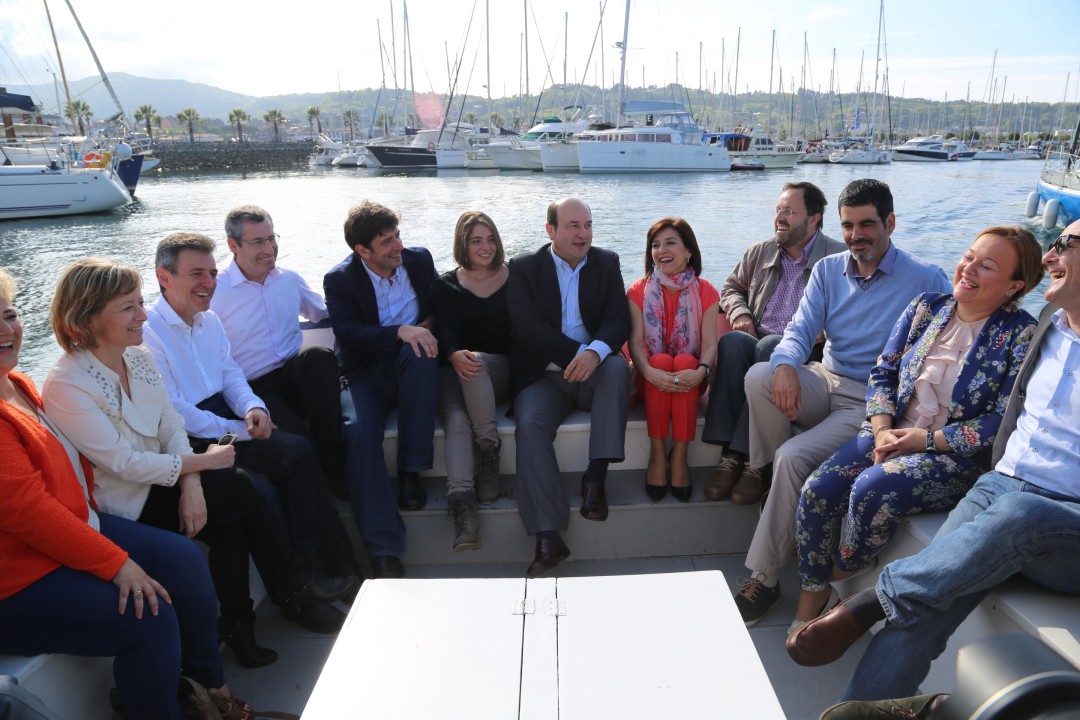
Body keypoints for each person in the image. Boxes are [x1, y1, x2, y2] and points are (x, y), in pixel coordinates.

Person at [786, 224, 1080, 705]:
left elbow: (991, 419)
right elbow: (892, 372)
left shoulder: (1022, 330)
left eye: (1065, 245)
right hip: (1000, 486)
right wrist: (884, 426)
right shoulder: (1052, 323)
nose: (1050, 256)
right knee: (918, 617)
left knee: (1019, 513)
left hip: (1065, 517)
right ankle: (855, 713)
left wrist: (931, 440)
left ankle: (874, 599)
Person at [43, 258, 356, 669]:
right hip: (126, 500)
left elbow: (171, 425)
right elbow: (124, 464)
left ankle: (241, 624)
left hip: (164, 477)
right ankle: (295, 590)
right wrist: (198, 465)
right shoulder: (68, 385)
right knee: (240, 487)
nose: (143, 315)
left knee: (229, 517)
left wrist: (191, 482)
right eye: (128, 308)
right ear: (87, 317)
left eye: (141, 303)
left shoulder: (137, 358)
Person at [0, 267, 252, 719]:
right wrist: (116, 563)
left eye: (9, 314)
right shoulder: (52, 388)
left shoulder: (18, 385)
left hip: (77, 526)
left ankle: (209, 687)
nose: (6, 330)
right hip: (18, 578)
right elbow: (30, 513)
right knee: (149, 618)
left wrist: (189, 478)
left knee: (185, 560)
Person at [733, 178, 952, 627]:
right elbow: (799, 329)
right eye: (848, 225)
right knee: (760, 376)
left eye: (867, 224)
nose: (856, 235)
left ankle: (766, 578)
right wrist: (786, 365)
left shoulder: (926, 278)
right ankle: (770, 481)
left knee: (793, 456)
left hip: (869, 400)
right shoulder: (828, 269)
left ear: (890, 223)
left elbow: (946, 345)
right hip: (824, 377)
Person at [210, 205, 356, 575]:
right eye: (258, 241)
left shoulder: (289, 280)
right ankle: (332, 559)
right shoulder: (216, 292)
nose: (269, 248)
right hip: (253, 387)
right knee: (298, 446)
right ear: (233, 245)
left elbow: (325, 314)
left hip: (292, 374)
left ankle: (332, 460)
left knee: (319, 357)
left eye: (272, 238)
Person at [508, 197, 631, 576]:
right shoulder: (523, 267)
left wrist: (594, 353)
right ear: (551, 230)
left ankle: (595, 478)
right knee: (530, 425)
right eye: (573, 226)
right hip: (544, 377)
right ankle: (548, 536)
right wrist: (578, 354)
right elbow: (528, 327)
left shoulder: (606, 262)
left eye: (588, 225)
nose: (583, 234)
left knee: (617, 369)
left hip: (595, 373)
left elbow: (618, 320)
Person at [701, 182, 845, 503]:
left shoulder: (837, 258)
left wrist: (823, 329)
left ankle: (752, 461)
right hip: (759, 338)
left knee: (771, 348)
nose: (780, 218)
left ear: (813, 219)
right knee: (733, 342)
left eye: (789, 212)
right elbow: (731, 288)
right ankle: (730, 454)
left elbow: (851, 308)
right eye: (778, 210)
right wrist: (740, 314)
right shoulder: (759, 251)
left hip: (807, 351)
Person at [323, 201, 439, 579]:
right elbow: (348, 333)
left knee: (422, 353)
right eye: (387, 241)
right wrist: (399, 332)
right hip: (363, 370)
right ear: (362, 250)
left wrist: (423, 326)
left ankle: (411, 470)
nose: (398, 246)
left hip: (411, 364)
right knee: (357, 432)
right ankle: (384, 550)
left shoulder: (419, 260)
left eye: (398, 236)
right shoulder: (339, 279)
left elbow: (442, 304)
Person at [432, 211, 512, 551]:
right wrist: (452, 354)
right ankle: (463, 507)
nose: (486, 247)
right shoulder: (446, 284)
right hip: (455, 369)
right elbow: (446, 331)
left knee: (475, 362)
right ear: (462, 245)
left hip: (500, 372)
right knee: (455, 420)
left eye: (490, 239)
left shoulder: (514, 276)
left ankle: (488, 451)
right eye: (476, 240)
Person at [626, 217, 720, 501]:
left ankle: (679, 455)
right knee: (661, 361)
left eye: (670, 243)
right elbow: (635, 343)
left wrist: (702, 371)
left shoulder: (706, 290)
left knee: (685, 362)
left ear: (689, 251)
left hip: (692, 377)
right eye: (655, 245)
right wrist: (648, 371)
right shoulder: (638, 290)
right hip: (648, 377)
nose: (661, 250)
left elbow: (710, 344)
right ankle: (657, 453)